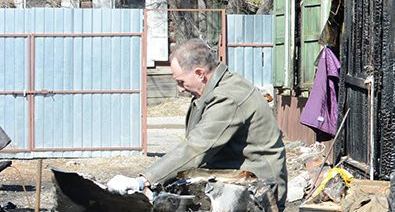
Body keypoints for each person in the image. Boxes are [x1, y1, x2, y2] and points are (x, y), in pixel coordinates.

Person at [107, 39, 288, 202]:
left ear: (200, 73)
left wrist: (144, 180)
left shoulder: (227, 97)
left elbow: (197, 147)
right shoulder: (213, 90)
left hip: (260, 188)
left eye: (181, 82)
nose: (180, 90)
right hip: (235, 177)